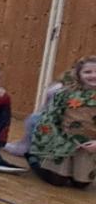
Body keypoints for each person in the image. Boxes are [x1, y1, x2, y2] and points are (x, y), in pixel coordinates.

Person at [27, 55, 96, 189]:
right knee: (57, 181)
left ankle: (74, 172)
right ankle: (34, 160)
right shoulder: (65, 93)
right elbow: (50, 118)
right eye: (88, 72)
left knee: (81, 184)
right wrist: (58, 140)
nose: (93, 75)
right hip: (63, 141)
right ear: (78, 74)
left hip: (89, 146)